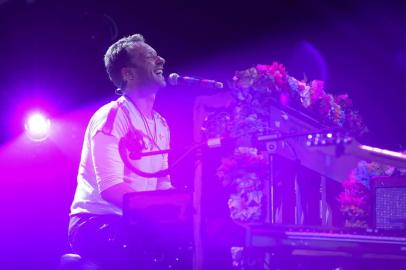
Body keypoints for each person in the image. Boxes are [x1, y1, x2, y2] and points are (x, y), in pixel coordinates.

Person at [68, 34, 172, 270]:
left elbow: (163, 186)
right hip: (95, 223)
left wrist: (187, 209)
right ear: (128, 73)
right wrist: (156, 215)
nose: (161, 61)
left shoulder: (162, 124)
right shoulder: (112, 116)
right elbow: (111, 188)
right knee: (142, 251)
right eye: (150, 57)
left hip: (137, 220)